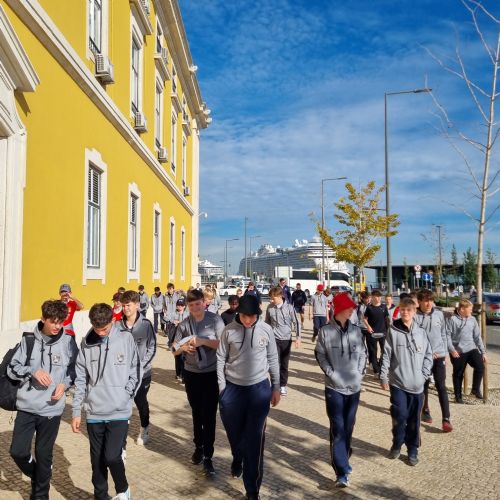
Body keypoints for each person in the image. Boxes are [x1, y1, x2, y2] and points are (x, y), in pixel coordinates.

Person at [72, 303, 142, 500]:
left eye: (104, 329)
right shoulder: (86, 344)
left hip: (119, 410)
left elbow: (136, 370)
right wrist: (76, 411)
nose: (101, 333)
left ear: (113, 320)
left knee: (112, 456)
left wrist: (125, 396)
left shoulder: (126, 339)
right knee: (97, 462)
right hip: (94, 412)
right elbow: (80, 379)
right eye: (97, 329)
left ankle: (123, 489)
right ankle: (100, 496)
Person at [8, 300, 77, 500]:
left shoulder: (68, 342)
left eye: (60, 322)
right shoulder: (28, 341)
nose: (57, 326)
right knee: (18, 452)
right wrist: (32, 371)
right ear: (43, 319)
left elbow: (75, 370)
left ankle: (40, 495)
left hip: (51, 410)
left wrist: (64, 384)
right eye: (53, 321)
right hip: (27, 407)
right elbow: (12, 368)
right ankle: (39, 477)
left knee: (44, 455)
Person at [217, 294, 280, 500]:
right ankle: (238, 456)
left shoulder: (266, 330)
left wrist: (276, 387)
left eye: (252, 317)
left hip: (259, 389)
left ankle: (252, 491)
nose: (248, 320)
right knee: (235, 435)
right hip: (232, 390)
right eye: (244, 316)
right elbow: (220, 358)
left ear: (257, 315)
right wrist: (222, 388)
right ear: (238, 313)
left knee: (255, 440)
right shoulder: (228, 330)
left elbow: (273, 358)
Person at [315, 293, 366, 488]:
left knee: (348, 426)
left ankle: (344, 456)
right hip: (334, 388)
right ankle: (341, 472)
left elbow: (363, 354)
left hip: (354, 387)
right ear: (339, 309)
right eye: (349, 307)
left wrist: (359, 374)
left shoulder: (357, 331)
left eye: (352, 307)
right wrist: (331, 373)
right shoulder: (325, 331)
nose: (352, 309)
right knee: (338, 428)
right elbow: (320, 354)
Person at [172, 289, 225, 476]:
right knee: (196, 412)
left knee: (209, 415)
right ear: (188, 306)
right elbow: (174, 348)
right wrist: (184, 348)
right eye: (191, 305)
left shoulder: (215, 320)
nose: (195, 307)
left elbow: (223, 345)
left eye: (198, 304)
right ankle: (198, 447)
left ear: (204, 302)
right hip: (192, 374)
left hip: (211, 373)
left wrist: (203, 341)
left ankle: (209, 456)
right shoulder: (184, 324)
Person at [380, 297, 432, 466]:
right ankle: (397, 443)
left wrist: (424, 375)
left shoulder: (421, 332)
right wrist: (383, 376)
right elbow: (386, 355)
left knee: (414, 420)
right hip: (398, 383)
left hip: (417, 385)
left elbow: (428, 355)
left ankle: (413, 449)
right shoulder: (393, 330)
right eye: (402, 309)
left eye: (408, 310)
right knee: (400, 416)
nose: (405, 312)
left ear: (414, 312)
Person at [119, 290, 157, 445]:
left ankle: (144, 427)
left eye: (128, 305)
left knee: (140, 401)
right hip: (123, 374)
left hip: (143, 373)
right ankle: (120, 433)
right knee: (123, 402)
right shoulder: (117, 325)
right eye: (123, 305)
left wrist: (141, 367)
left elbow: (152, 348)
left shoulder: (146, 324)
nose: (125, 308)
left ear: (136, 305)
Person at [416, 289, 453, 432]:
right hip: (423, 357)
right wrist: (426, 353)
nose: (428, 303)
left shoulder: (439, 314)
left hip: (439, 356)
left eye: (431, 300)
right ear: (419, 301)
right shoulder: (415, 316)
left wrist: (445, 353)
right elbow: (414, 338)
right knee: (423, 385)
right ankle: (425, 410)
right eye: (425, 301)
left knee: (441, 386)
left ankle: (446, 419)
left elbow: (444, 334)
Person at [447, 298, 487, 403]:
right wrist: (451, 350)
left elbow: (477, 337)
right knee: (458, 373)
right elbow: (447, 336)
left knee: (480, 366)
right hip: (457, 351)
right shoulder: (452, 320)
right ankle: (458, 396)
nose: (471, 311)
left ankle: (475, 389)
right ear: (462, 309)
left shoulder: (472, 319)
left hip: (471, 348)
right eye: (470, 309)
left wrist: (483, 352)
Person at [265, 286, 301, 395]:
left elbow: (296, 323)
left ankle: (283, 385)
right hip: (274, 340)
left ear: (280, 296)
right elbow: (267, 323)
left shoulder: (289, 308)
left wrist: (298, 338)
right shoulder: (270, 308)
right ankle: (275, 385)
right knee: (274, 363)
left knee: (284, 364)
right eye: (271, 298)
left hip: (286, 340)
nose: (272, 300)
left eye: (273, 298)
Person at [363, 290, 389, 374]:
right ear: (372, 297)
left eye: (379, 297)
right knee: (373, 352)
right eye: (376, 297)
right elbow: (364, 318)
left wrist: (388, 330)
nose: (378, 298)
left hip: (383, 332)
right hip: (372, 333)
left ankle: (381, 366)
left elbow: (386, 319)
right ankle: (376, 370)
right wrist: (368, 327)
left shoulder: (384, 307)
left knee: (384, 351)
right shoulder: (369, 307)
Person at [170, 298, 190, 381]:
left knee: (184, 357)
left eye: (181, 305)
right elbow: (168, 318)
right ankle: (178, 373)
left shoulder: (188, 314)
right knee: (177, 356)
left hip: (185, 338)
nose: (180, 307)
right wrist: (173, 321)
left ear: (184, 306)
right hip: (175, 338)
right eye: (178, 305)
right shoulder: (173, 313)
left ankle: (183, 374)